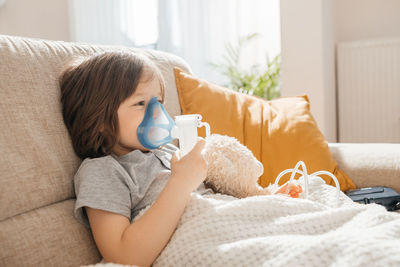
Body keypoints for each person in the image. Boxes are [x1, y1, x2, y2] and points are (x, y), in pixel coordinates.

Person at [59, 51, 301, 266]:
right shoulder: (103, 171)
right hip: (203, 243)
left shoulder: (168, 152)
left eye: (158, 102)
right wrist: (181, 182)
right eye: (141, 103)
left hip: (234, 224)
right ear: (100, 120)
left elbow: (218, 195)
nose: (158, 113)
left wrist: (265, 199)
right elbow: (124, 257)